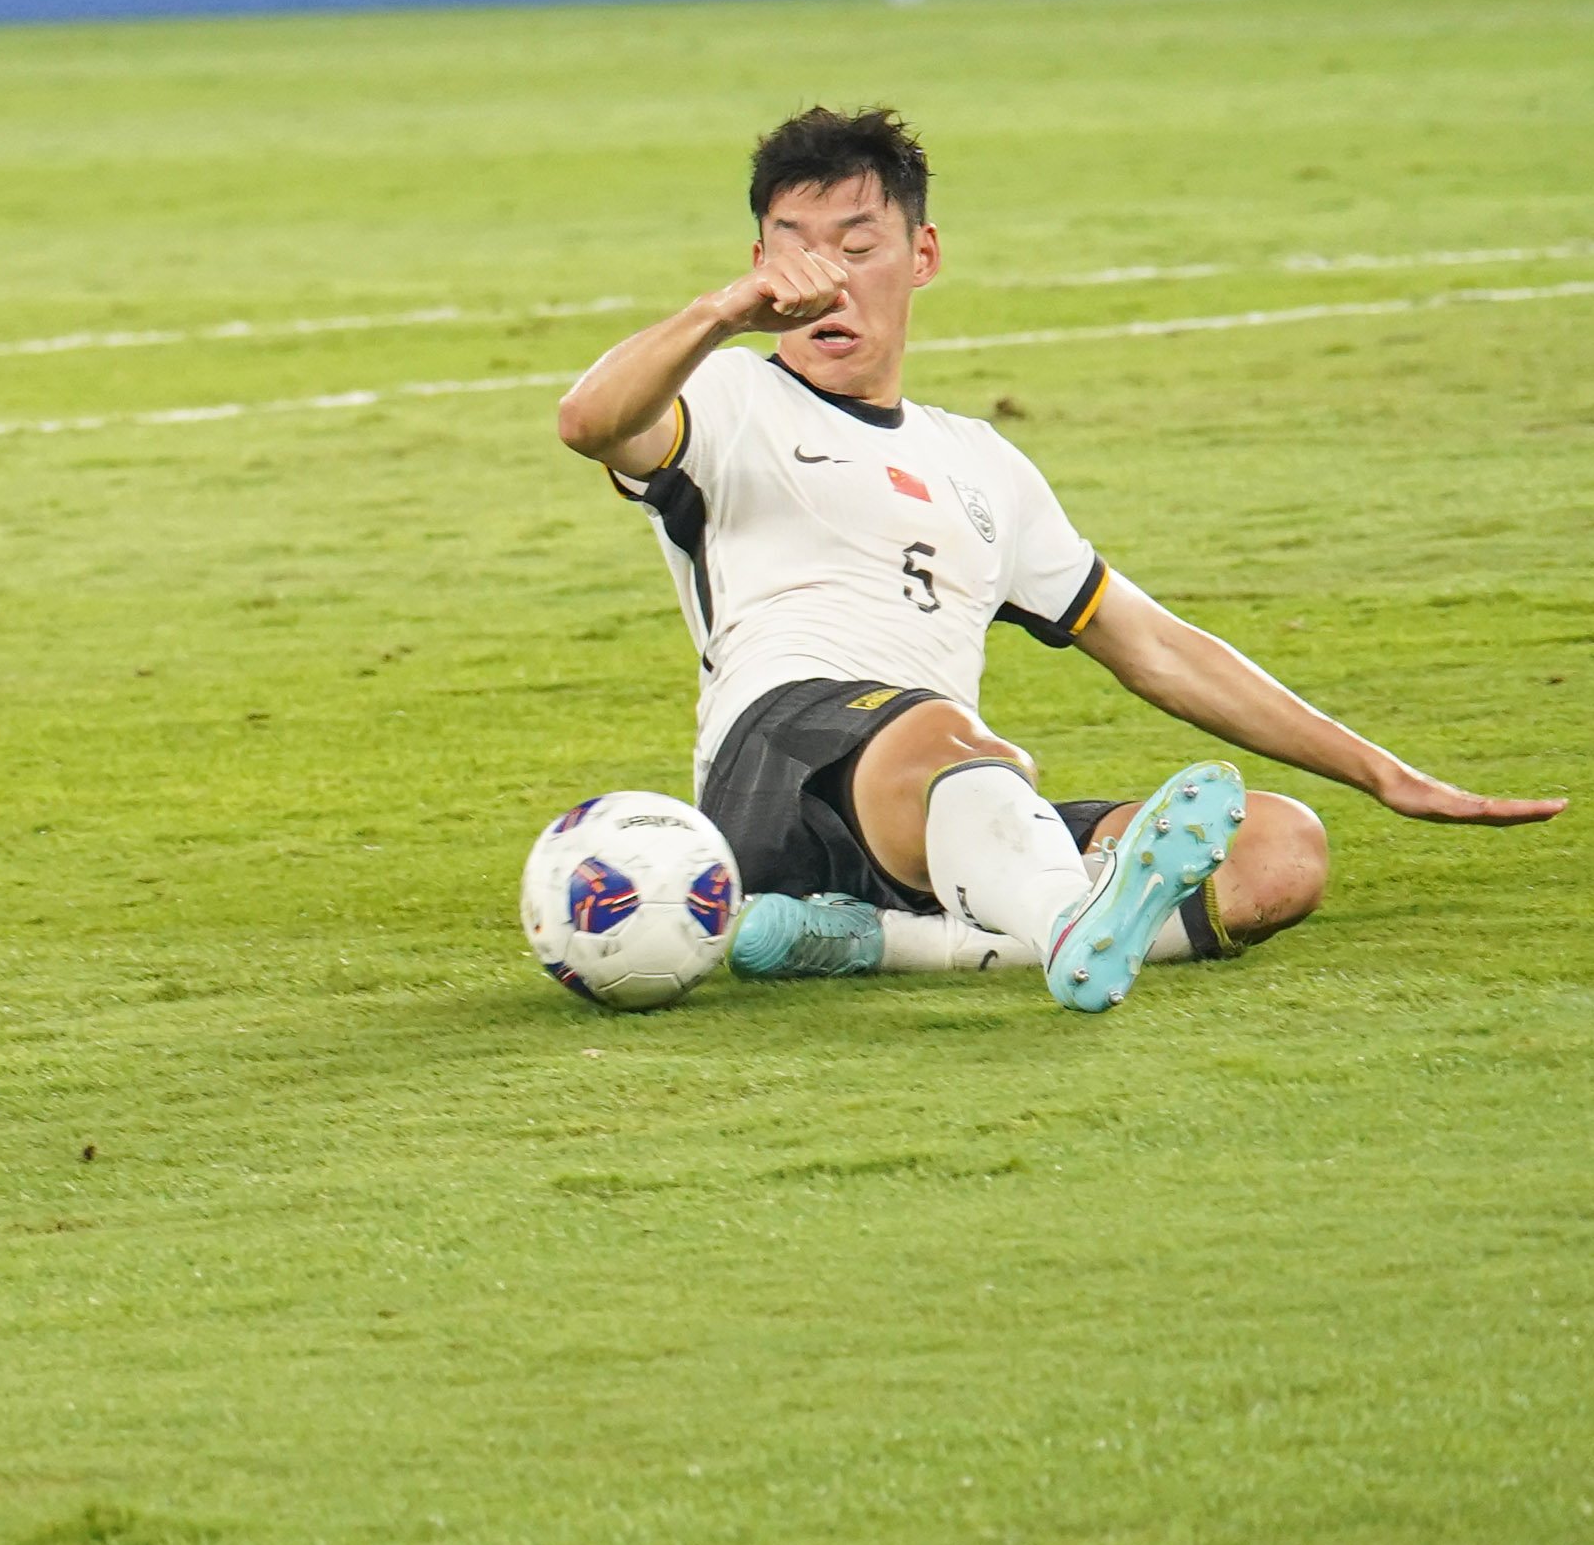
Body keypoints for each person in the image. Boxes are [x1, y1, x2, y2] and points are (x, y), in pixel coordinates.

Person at [553, 105, 1559, 1010]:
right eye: (791, 249)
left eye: (856, 247)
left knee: (1277, 849)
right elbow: (587, 421)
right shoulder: (726, 395)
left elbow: (1154, 648)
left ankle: (884, 941)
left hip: (943, 818)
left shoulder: (981, 464)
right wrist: (721, 312)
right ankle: (1062, 917)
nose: (821, 280)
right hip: (780, 769)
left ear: (920, 255)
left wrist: (1381, 773)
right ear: (757, 260)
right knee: (948, 737)